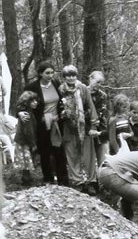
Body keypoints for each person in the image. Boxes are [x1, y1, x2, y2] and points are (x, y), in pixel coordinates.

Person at [22, 61, 69, 185]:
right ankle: (48, 179)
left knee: (59, 150)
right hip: (41, 124)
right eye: (47, 73)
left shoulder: (56, 83)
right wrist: (22, 112)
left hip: (57, 122)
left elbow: (63, 99)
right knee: (45, 151)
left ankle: (63, 180)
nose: (50, 75)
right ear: (40, 74)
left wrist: (63, 110)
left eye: (52, 72)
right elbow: (22, 103)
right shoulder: (32, 87)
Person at [59, 65, 99, 195]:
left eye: (73, 75)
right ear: (64, 77)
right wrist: (63, 112)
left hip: (84, 125)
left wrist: (93, 125)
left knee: (88, 155)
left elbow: (91, 106)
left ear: (76, 76)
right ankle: (78, 182)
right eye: (68, 75)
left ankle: (91, 181)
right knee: (72, 154)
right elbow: (57, 106)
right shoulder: (61, 89)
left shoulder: (82, 89)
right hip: (68, 126)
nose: (71, 78)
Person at [13, 91, 38, 185]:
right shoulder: (27, 115)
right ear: (26, 102)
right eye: (32, 101)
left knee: (25, 160)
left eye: (36, 100)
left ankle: (26, 177)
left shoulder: (28, 112)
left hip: (22, 140)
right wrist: (33, 144)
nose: (35, 102)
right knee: (26, 160)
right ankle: (26, 179)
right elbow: (28, 131)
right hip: (24, 141)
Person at [88, 71, 112, 166]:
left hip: (101, 128)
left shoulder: (103, 95)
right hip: (87, 128)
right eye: (97, 82)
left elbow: (105, 113)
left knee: (104, 157)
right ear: (90, 79)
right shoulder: (82, 92)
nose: (99, 85)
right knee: (89, 157)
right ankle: (92, 179)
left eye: (101, 83)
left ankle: (103, 177)